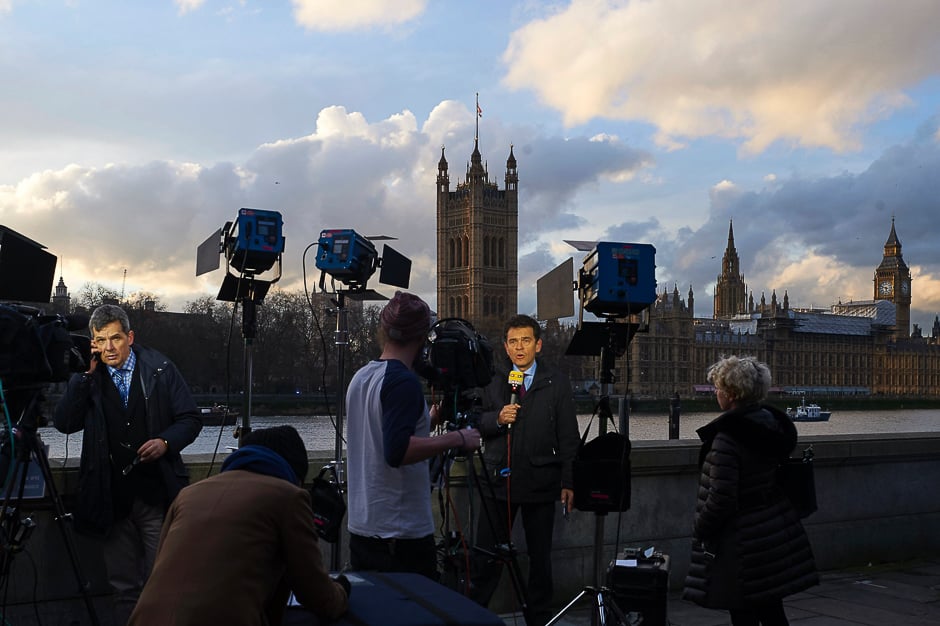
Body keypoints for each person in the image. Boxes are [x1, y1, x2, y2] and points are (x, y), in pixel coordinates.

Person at [53, 304, 202, 625]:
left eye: (116, 338)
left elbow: (190, 418)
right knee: (123, 587)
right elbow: (64, 423)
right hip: (112, 498)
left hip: (157, 493)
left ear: (130, 337)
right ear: (92, 341)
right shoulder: (89, 376)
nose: (109, 348)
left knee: (163, 582)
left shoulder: (160, 368)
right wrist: (83, 377)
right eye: (100, 340)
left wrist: (165, 442)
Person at [128, 425, 349, 626]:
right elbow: (316, 593)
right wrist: (342, 592)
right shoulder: (288, 496)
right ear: (294, 472)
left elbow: (161, 565)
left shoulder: (188, 494)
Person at [345, 290, 481, 580]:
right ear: (422, 338)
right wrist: (458, 438)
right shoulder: (403, 382)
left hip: (363, 530)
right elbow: (397, 451)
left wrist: (430, 421)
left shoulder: (362, 377)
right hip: (400, 536)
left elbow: (380, 438)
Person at [683, 355, 819, 626]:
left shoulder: (728, 438)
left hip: (742, 540)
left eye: (718, 388)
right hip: (770, 531)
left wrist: (701, 528)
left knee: (743, 612)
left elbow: (721, 497)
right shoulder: (769, 424)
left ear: (732, 394)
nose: (716, 394)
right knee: (771, 610)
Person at [471, 314, 580, 625]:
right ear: (505, 347)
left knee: (540, 561)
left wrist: (568, 481)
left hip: (540, 482)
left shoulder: (556, 381)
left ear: (538, 345)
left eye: (526, 341)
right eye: (514, 342)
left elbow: (569, 437)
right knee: (485, 559)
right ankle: (474, 616)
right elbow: (472, 421)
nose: (520, 348)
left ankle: (539, 620)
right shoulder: (490, 379)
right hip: (497, 482)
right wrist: (496, 419)